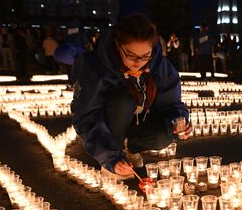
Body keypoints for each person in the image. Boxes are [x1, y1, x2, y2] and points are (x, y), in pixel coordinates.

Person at [70, 13, 191, 180]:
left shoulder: (160, 67)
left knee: (164, 134)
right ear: (118, 45)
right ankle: (116, 154)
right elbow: (86, 117)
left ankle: (132, 147)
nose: (138, 62)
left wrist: (179, 121)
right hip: (109, 123)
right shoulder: (95, 68)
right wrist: (110, 159)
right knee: (123, 99)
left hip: (140, 121)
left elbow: (172, 104)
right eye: (131, 55)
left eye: (145, 56)